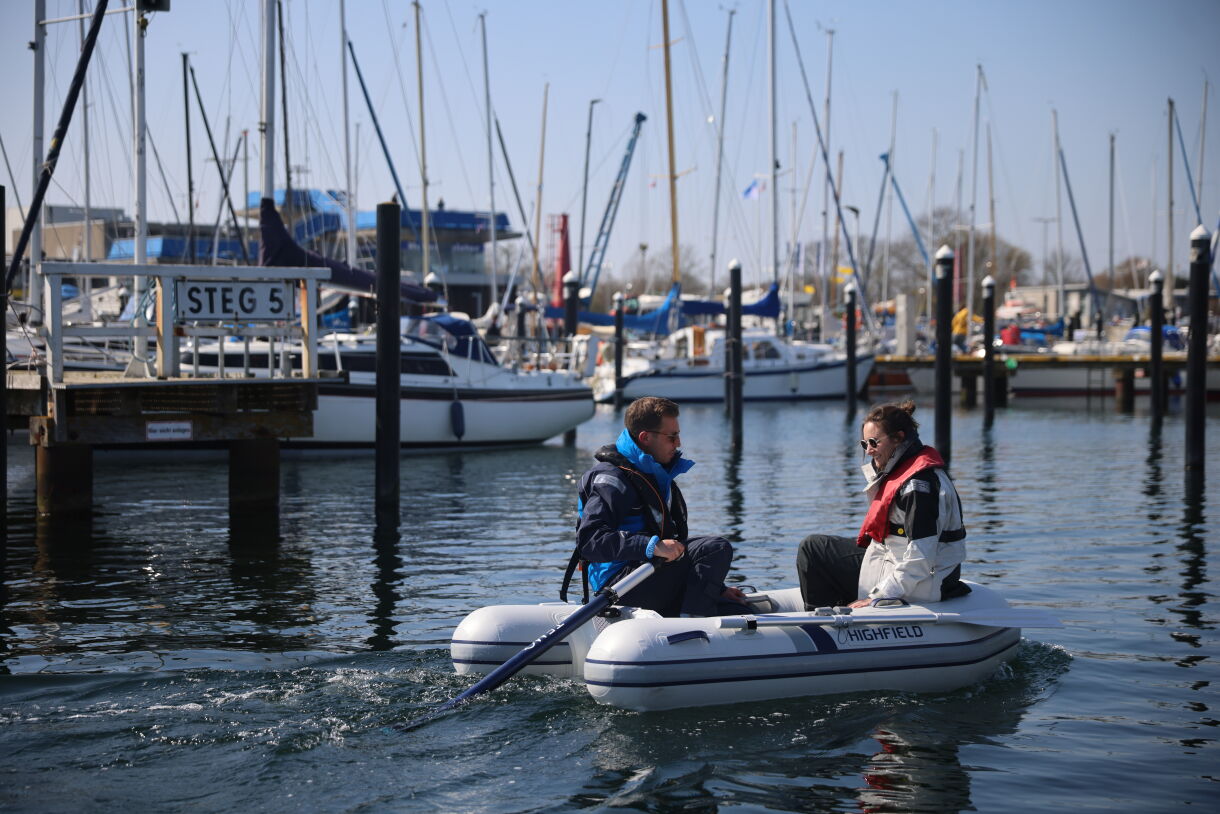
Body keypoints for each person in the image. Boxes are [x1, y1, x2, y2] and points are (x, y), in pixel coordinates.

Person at [562, 396, 748, 617]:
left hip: (648, 575)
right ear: (645, 438)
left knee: (738, 610)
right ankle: (690, 629)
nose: (678, 444)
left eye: (678, 435)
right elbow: (590, 541)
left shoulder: (654, 473)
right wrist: (652, 546)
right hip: (620, 585)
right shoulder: (612, 480)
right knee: (715, 548)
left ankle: (692, 620)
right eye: (672, 437)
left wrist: (718, 589)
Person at [796, 400, 968, 610]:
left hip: (926, 581)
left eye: (874, 442)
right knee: (819, 547)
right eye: (864, 444)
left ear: (898, 438)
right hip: (899, 562)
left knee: (813, 549)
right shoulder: (905, 471)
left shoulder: (917, 486)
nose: (868, 450)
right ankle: (837, 612)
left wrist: (878, 596)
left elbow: (921, 558)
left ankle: (821, 627)